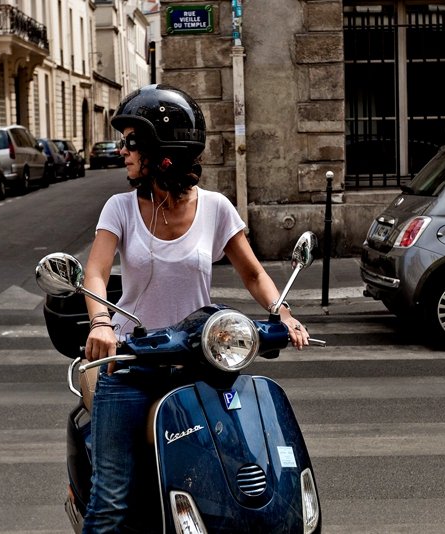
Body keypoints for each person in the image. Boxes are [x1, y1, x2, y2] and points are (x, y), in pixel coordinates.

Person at [81, 84, 309, 533]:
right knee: (110, 504)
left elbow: (253, 274)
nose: (123, 150)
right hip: (133, 364)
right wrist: (102, 323)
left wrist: (283, 312)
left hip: (200, 361)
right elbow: (94, 274)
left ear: (162, 150)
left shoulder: (216, 208)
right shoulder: (120, 208)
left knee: (238, 475)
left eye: (132, 141)